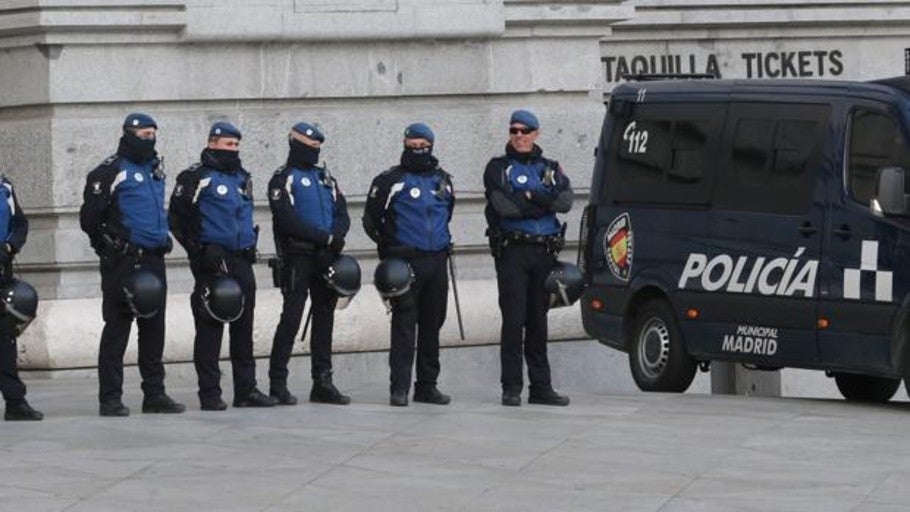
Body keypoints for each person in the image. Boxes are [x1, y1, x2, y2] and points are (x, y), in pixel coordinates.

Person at [79, 113, 185, 417]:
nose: (149, 139)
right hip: (123, 262)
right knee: (118, 328)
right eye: (143, 134)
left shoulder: (155, 171)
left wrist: (162, 235)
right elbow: (90, 219)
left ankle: (155, 394)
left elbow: (154, 211)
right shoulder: (110, 171)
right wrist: (110, 246)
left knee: (154, 328)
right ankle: (110, 398)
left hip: (154, 260)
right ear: (127, 134)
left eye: (153, 133)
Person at [169, 121, 277, 411]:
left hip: (241, 259)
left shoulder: (242, 177)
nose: (234, 150)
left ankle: (246, 390)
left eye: (237, 145)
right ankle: (210, 393)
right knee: (211, 327)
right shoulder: (195, 177)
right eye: (229, 145)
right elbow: (176, 220)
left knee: (244, 327)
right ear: (213, 143)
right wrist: (199, 252)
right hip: (213, 261)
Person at [483, 109, 573, 407]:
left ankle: (541, 387)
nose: (519, 136)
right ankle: (511, 387)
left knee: (538, 320)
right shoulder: (498, 167)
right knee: (513, 320)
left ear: (536, 133)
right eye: (514, 131)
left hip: (544, 251)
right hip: (513, 252)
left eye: (525, 131)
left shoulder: (550, 166)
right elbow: (504, 206)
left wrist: (532, 198)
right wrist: (541, 202)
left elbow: (565, 202)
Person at [363, 123, 455, 407]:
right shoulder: (390, 180)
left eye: (423, 145)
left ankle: (427, 385)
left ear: (431, 145)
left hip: (437, 259)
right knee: (404, 323)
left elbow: (447, 213)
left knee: (433, 323)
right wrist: (389, 250)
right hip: (406, 261)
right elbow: (371, 220)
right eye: (412, 145)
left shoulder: (443, 179)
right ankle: (399, 387)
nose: (418, 150)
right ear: (404, 144)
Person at [267, 122, 351, 406]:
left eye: (318, 148)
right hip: (298, 256)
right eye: (309, 147)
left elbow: (342, 212)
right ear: (295, 144)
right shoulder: (283, 178)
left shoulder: (326, 178)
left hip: (325, 256)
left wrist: (335, 239)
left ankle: (323, 381)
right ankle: (278, 383)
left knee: (325, 315)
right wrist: (326, 238)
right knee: (291, 318)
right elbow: (286, 220)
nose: (314, 152)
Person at [0, 175, 42, 421]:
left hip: (2, 270)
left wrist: (9, 247)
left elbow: (20, 224)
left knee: (5, 339)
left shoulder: (4, 186)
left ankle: (15, 401)